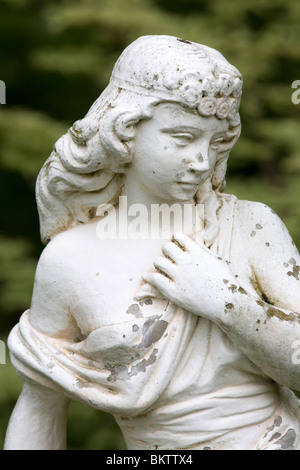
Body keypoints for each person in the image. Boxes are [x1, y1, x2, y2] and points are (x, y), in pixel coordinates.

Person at [4, 35, 300, 450]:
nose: (202, 161)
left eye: (215, 143)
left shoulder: (248, 228)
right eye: (182, 138)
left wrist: (228, 304)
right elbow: (39, 408)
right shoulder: (68, 259)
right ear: (124, 132)